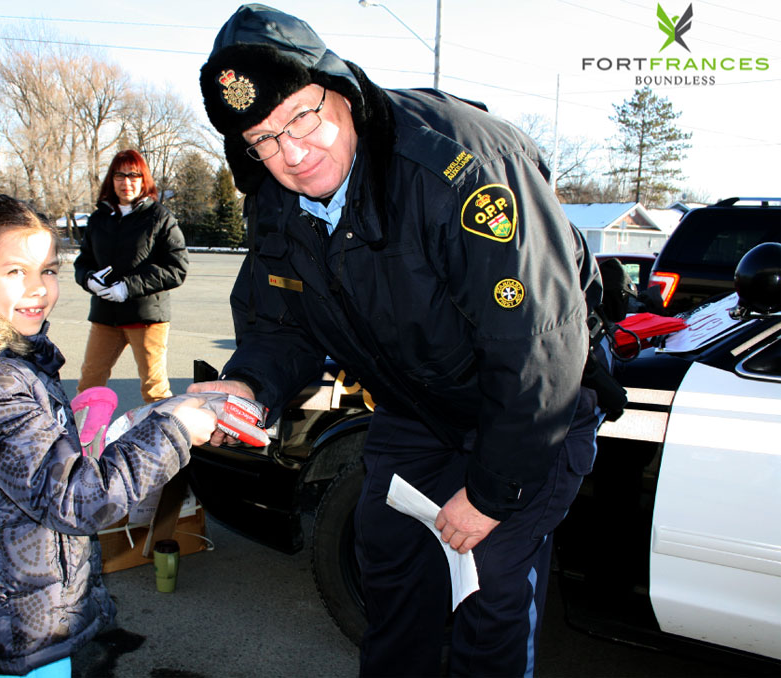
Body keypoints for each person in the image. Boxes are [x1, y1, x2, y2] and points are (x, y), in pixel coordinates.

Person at [191, 5, 606, 677]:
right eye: (261, 141)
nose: (291, 153)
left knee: (489, 591)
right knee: (387, 565)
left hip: (526, 412)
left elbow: (538, 344)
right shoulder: (274, 197)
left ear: (343, 91)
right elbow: (278, 323)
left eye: (302, 116)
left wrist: (492, 492)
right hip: (416, 410)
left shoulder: (456, 167)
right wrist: (247, 384)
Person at [0, 194, 216, 678]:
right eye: (16, 272)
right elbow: (80, 499)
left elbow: (30, 470)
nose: (39, 289)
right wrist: (175, 431)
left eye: (49, 271)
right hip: (16, 621)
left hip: (13, 601)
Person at [74, 149, 189, 403]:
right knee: (89, 384)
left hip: (146, 317)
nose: (126, 182)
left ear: (144, 179)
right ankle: (85, 440)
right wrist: (89, 279)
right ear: (111, 180)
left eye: (134, 175)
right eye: (120, 175)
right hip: (106, 316)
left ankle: (162, 439)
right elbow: (83, 262)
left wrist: (127, 288)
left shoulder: (160, 217)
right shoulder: (98, 219)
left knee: (154, 389)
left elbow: (177, 268)